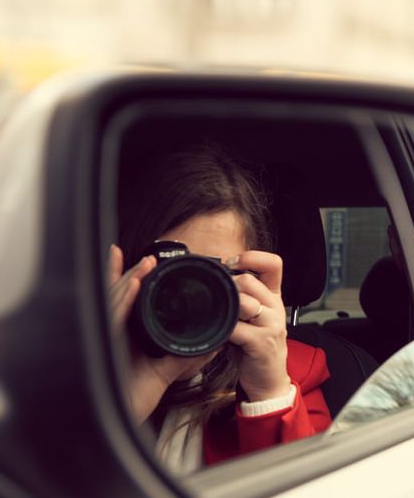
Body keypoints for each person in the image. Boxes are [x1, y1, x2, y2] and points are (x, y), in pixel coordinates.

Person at [108, 144, 331, 475]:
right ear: (124, 268)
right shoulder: (66, 367)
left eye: (214, 276)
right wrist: (113, 389)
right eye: (171, 272)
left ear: (251, 281)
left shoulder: (292, 375)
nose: (190, 297)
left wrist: (268, 394)